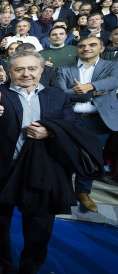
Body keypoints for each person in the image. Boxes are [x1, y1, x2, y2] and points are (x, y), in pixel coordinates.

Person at [0, 50, 98, 274]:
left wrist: (50, 131)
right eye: (19, 69)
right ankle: (2, 262)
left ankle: (30, 267)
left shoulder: (58, 96)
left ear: (42, 70)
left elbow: (74, 126)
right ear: (10, 72)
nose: (26, 74)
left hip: (41, 170)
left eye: (32, 68)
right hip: (2, 168)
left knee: (39, 225)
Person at [55, 36, 118, 212]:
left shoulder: (112, 66)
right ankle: (64, 190)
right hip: (71, 118)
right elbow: (61, 93)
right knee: (65, 155)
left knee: (91, 157)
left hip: (99, 120)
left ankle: (83, 191)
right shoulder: (64, 68)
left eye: (92, 45)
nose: (86, 48)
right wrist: (89, 93)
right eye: (81, 46)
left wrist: (89, 86)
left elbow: (114, 81)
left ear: (102, 48)